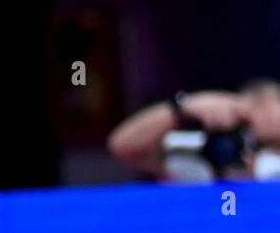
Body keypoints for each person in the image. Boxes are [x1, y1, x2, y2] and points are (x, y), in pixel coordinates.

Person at [107, 78, 280, 182]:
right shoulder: (204, 156)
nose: (248, 153)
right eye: (245, 130)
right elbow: (123, 147)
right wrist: (185, 107)